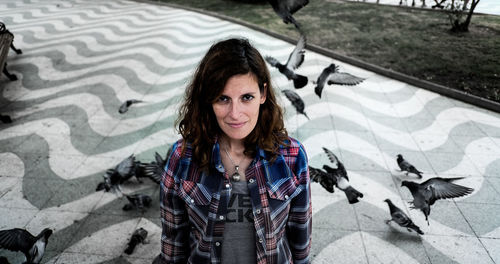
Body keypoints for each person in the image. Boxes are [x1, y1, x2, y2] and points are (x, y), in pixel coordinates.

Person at [160, 37, 312, 264]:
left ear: (262, 94)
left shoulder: (292, 156)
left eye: (246, 97)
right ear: (208, 99)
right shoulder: (182, 158)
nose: (235, 113)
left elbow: (301, 236)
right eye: (223, 99)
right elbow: (173, 243)